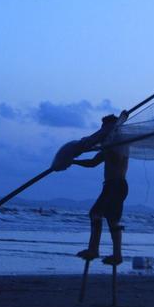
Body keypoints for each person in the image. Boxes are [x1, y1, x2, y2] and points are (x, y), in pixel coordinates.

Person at [51, 112, 129, 266]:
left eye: (104, 130)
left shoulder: (119, 145)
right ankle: (108, 252)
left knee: (98, 214)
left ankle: (98, 251)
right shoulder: (111, 145)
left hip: (116, 184)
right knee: (108, 218)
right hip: (111, 185)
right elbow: (93, 163)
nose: (102, 133)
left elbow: (117, 159)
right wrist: (73, 161)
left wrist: (107, 147)